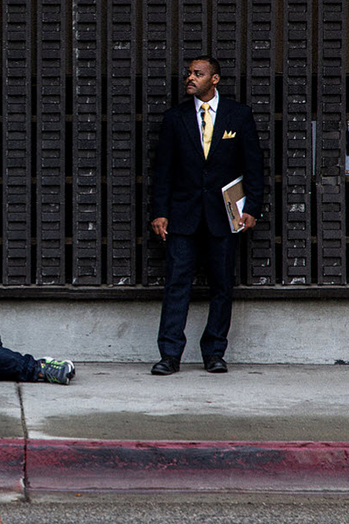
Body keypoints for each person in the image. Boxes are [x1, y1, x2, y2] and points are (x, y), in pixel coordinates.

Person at [149, 55, 263, 376]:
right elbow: (163, 171)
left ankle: (214, 352)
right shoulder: (175, 118)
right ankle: (170, 354)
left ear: (214, 79)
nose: (190, 78)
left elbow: (252, 165)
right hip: (182, 216)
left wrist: (252, 207)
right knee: (176, 285)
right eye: (188, 73)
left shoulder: (238, 116)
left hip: (225, 216)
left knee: (221, 286)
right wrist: (159, 212)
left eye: (197, 74)